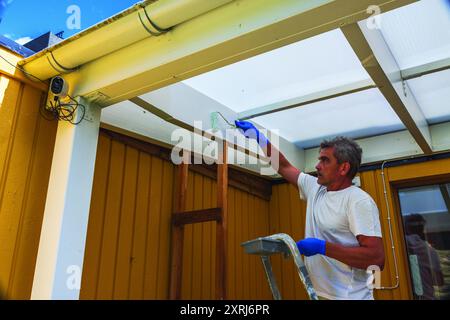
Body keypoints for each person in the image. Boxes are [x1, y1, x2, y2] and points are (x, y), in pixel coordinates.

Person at [235, 120, 385, 300]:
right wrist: (258, 138)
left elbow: (376, 259)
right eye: (319, 159)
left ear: (343, 168)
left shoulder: (358, 201)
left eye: (325, 160)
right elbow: (283, 166)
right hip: (320, 295)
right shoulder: (316, 188)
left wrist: (322, 247)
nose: (317, 166)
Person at [403, 214, 444, 299]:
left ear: (405, 228)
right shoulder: (431, 252)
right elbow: (439, 281)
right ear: (423, 229)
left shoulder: (399, 246)